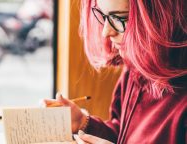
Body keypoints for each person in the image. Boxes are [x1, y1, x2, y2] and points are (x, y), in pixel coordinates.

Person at [44, 0, 187, 143]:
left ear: (166, 17)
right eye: (105, 16)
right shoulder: (135, 70)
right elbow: (123, 135)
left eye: (120, 18)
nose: (106, 31)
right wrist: (82, 123)